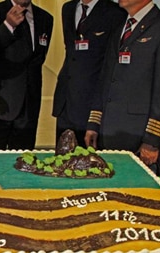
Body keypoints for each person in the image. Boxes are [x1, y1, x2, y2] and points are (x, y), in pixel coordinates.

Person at [84, 0, 160, 176]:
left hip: (138, 141)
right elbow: (106, 79)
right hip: (108, 137)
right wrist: (94, 123)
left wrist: (152, 141)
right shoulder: (120, 26)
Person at [0, 0, 53, 150]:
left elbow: (38, 59)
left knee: (23, 163)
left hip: (29, 107)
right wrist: (8, 26)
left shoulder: (45, 18)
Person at [52, 0, 126, 146]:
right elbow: (71, 52)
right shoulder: (68, 8)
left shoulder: (115, 12)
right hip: (66, 100)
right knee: (62, 160)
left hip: (92, 102)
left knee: (88, 162)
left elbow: (111, 61)